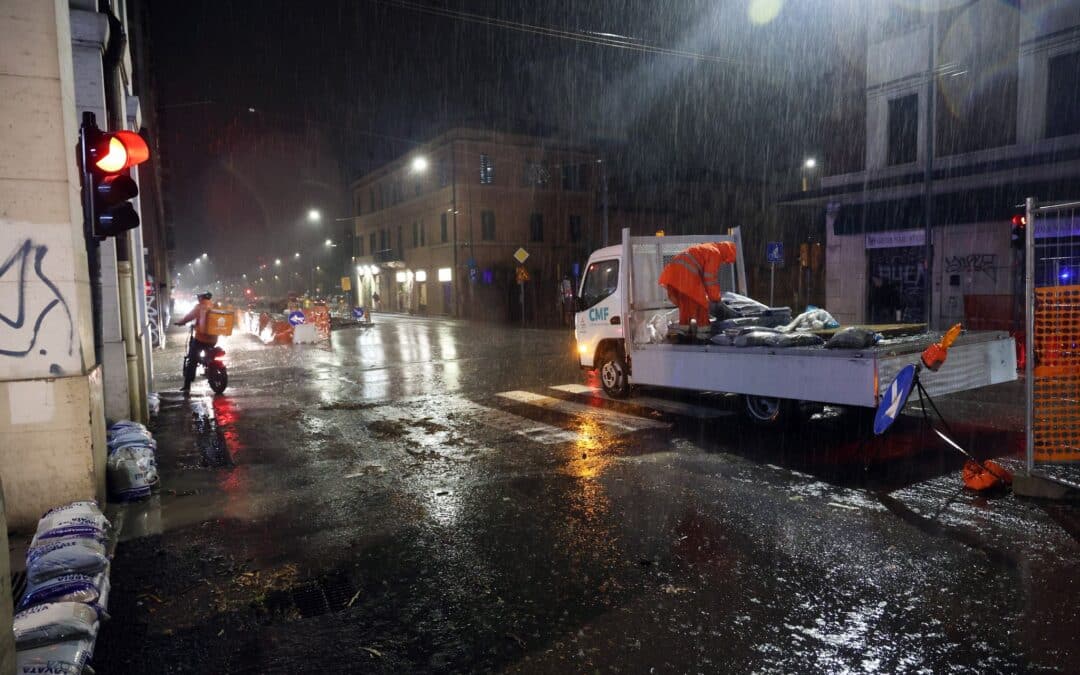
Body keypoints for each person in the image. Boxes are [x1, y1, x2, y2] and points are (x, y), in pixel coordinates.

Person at [658, 241, 738, 326]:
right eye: (726, 259)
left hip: (672, 276)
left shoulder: (705, 248)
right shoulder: (715, 253)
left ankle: (684, 334)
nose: (724, 262)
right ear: (727, 252)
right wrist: (716, 299)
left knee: (686, 308)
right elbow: (710, 279)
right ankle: (703, 335)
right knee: (702, 306)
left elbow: (703, 278)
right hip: (686, 275)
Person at [174, 291, 217, 394]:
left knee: (192, 360)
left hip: (201, 339)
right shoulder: (214, 306)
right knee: (211, 355)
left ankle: (187, 385)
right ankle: (209, 367)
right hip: (213, 340)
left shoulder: (199, 307)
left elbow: (189, 316)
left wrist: (181, 322)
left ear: (201, 298)